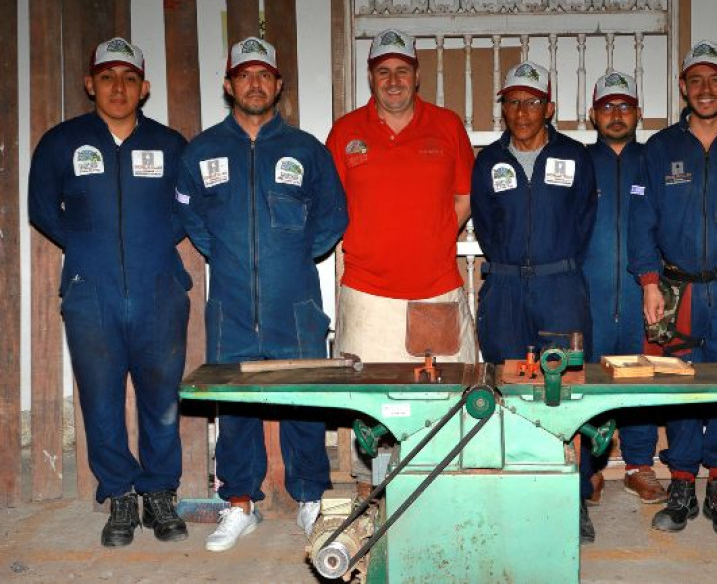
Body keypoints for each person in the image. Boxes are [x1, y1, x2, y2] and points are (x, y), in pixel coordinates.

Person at [174, 36, 348, 552]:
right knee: (235, 403)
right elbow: (188, 209)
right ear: (229, 85)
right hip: (230, 300)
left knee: (302, 399)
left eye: (265, 75)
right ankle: (240, 503)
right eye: (245, 75)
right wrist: (220, 252)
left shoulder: (306, 150)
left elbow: (333, 213)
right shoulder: (202, 150)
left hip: (293, 299)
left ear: (278, 86)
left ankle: (311, 496)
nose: (255, 83)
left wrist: (296, 256)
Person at [29, 37, 190, 547]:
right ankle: (120, 493)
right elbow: (41, 208)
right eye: (106, 77)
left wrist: (152, 247)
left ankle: (160, 492)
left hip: (158, 288)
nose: (117, 87)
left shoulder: (169, 145)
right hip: (90, 291)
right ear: (89, 84)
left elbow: (187, 206)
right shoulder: (61, 142)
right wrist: (85, 252)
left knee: (161, 398)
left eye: (127, 78)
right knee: (100, 400)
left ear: (144, 88)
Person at [629, 40, 717, 535]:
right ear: (683, 88)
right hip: (677, 288)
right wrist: (649, 282)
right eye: (695, 80)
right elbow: (642, 220)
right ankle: (682, 481)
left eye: (715, 79)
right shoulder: (660, 148)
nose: (705, 89)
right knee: (679, 387)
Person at [471, 61, 598, 542]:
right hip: (504, 289)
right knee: (505, 390)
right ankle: (511, 489)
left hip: (560, 286)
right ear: (503, 108)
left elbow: (584, 220)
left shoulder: (575, 157)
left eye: (531, 101)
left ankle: (575, 496)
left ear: (550, 107)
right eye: (512, 102)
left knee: (567, 392)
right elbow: (484, 224)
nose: (522, 112)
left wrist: (554, 265)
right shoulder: (489, 162)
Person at [325, 30, 477, 364]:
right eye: (383, 71)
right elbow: (327, 204)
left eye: (402, 70)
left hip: (437, 294)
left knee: (446, 405)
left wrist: (435, 235)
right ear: (370, 77)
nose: (393, 81)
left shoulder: (447, 125)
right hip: (366, 300)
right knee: (366, 407)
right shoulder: (345, 132)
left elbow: (465, 195)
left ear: (417, 75)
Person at [582, 71, 666, 507]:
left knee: (640, 378)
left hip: (640, 293)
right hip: (590, 292)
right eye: (607, 107)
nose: (616, 115)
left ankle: (639, 464)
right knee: (590, 379)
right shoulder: (577, 161)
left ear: (638, 112)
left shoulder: (655, 160)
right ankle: (591, 468)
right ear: (593, 114)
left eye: (625, 106)